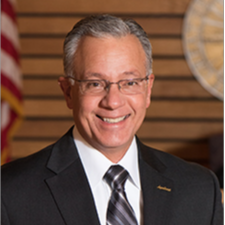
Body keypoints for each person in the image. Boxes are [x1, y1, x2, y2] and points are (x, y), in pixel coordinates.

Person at [1, 14, 223, 225]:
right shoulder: (9, 193)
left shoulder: (200, 189)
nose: (113, 102)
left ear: (148, 90)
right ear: (68, 92)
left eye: (130, 83)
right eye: (95, 84)